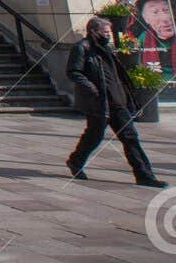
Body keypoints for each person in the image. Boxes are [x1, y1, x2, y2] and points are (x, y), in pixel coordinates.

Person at [66, 17, 166, 187]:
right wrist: (92, 88)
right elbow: (73, 72)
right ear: (93, 31)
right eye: (105, 32)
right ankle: (76, 161)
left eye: (109, 32)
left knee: (130, 138)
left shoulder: (107, 49)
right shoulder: (82, 48)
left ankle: (144, 175)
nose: (108, 35)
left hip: (117, 102)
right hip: (99, 102)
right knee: (94, 136)